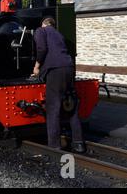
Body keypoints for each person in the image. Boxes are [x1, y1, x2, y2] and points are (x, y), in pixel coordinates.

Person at [32, 17, 86, 153]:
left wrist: (37, 66)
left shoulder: (41, 31)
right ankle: (79, 143)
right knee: (72, 106)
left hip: (55, 71)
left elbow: (42, 48)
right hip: (69, 68)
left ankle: (54, 146)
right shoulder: (59, 34)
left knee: (53, 108)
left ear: (43, 24)